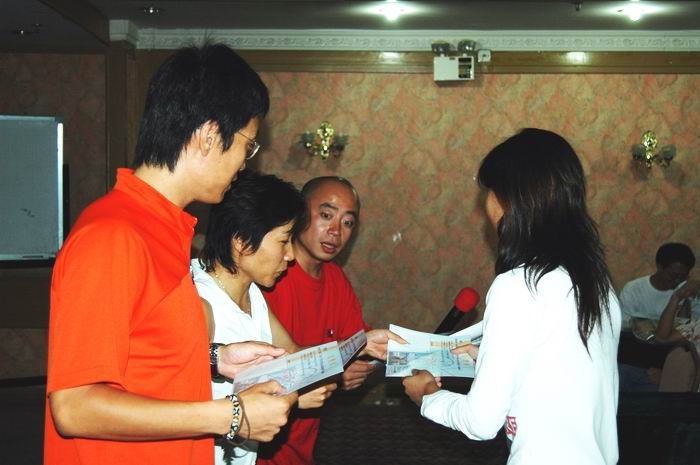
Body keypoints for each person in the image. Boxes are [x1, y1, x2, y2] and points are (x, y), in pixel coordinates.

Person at [45, 43, 297, 465]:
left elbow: (140, 354)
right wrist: (231, 415)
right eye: (247, 146)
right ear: (209, 136)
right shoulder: (113, 236)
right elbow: (75, 406)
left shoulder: (163, 229)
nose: (244, 164)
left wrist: (215, 358)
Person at [403, 128, 621, 465]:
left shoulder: (519, 285)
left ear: (509, 198)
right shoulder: (596, 283)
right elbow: (565, 376)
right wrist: (485, 358)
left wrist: (427, 395)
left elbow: (480, 422)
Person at [192, 170, 338, 464]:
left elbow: (291, 354)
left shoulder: (251, 291)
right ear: (242, 242)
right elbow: (183, 414)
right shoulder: (198, 301)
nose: (290, 256)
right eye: (283, 241)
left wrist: (357, 347)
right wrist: (292, 396)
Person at [258, 176, 403, 465]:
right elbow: (262, 370)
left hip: (302, 447)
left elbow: (358, 347)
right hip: (257, 443)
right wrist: (336, 368)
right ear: (300, 212)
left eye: (348, 222)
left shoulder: (335, 278)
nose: (336, 231)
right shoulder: (268, 277)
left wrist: (359, 367)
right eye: (326, 215)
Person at [619, 242, 700, 328]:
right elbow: (624, 325)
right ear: (659, 267)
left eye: (683, 276)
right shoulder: (633, 290)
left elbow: (692, 325)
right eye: (673, 275)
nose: (678, 280)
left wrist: (687, 302)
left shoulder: (687, 289)